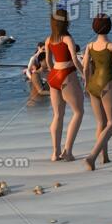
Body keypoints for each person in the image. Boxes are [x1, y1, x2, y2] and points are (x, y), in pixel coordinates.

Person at [81, 14, 112, 171]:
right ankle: (92, 156)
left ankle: (105, 157)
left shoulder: (89, 46)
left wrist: (86, 83)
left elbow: (85, 67)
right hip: (107, 83)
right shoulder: (111, 46)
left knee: (101, 122)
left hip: (93, 85)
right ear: (108, 27)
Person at [45, 9, 85, 161]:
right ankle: (67, 151)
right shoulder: (67, 38)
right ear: (65, 21)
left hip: (54, 75)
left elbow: (49, 62)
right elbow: (75, 60)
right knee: (78, 112)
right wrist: (85, 75)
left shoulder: (49, 39)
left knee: (57, 115)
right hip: (67, 74)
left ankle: (55, 153)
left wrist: (53, 72)